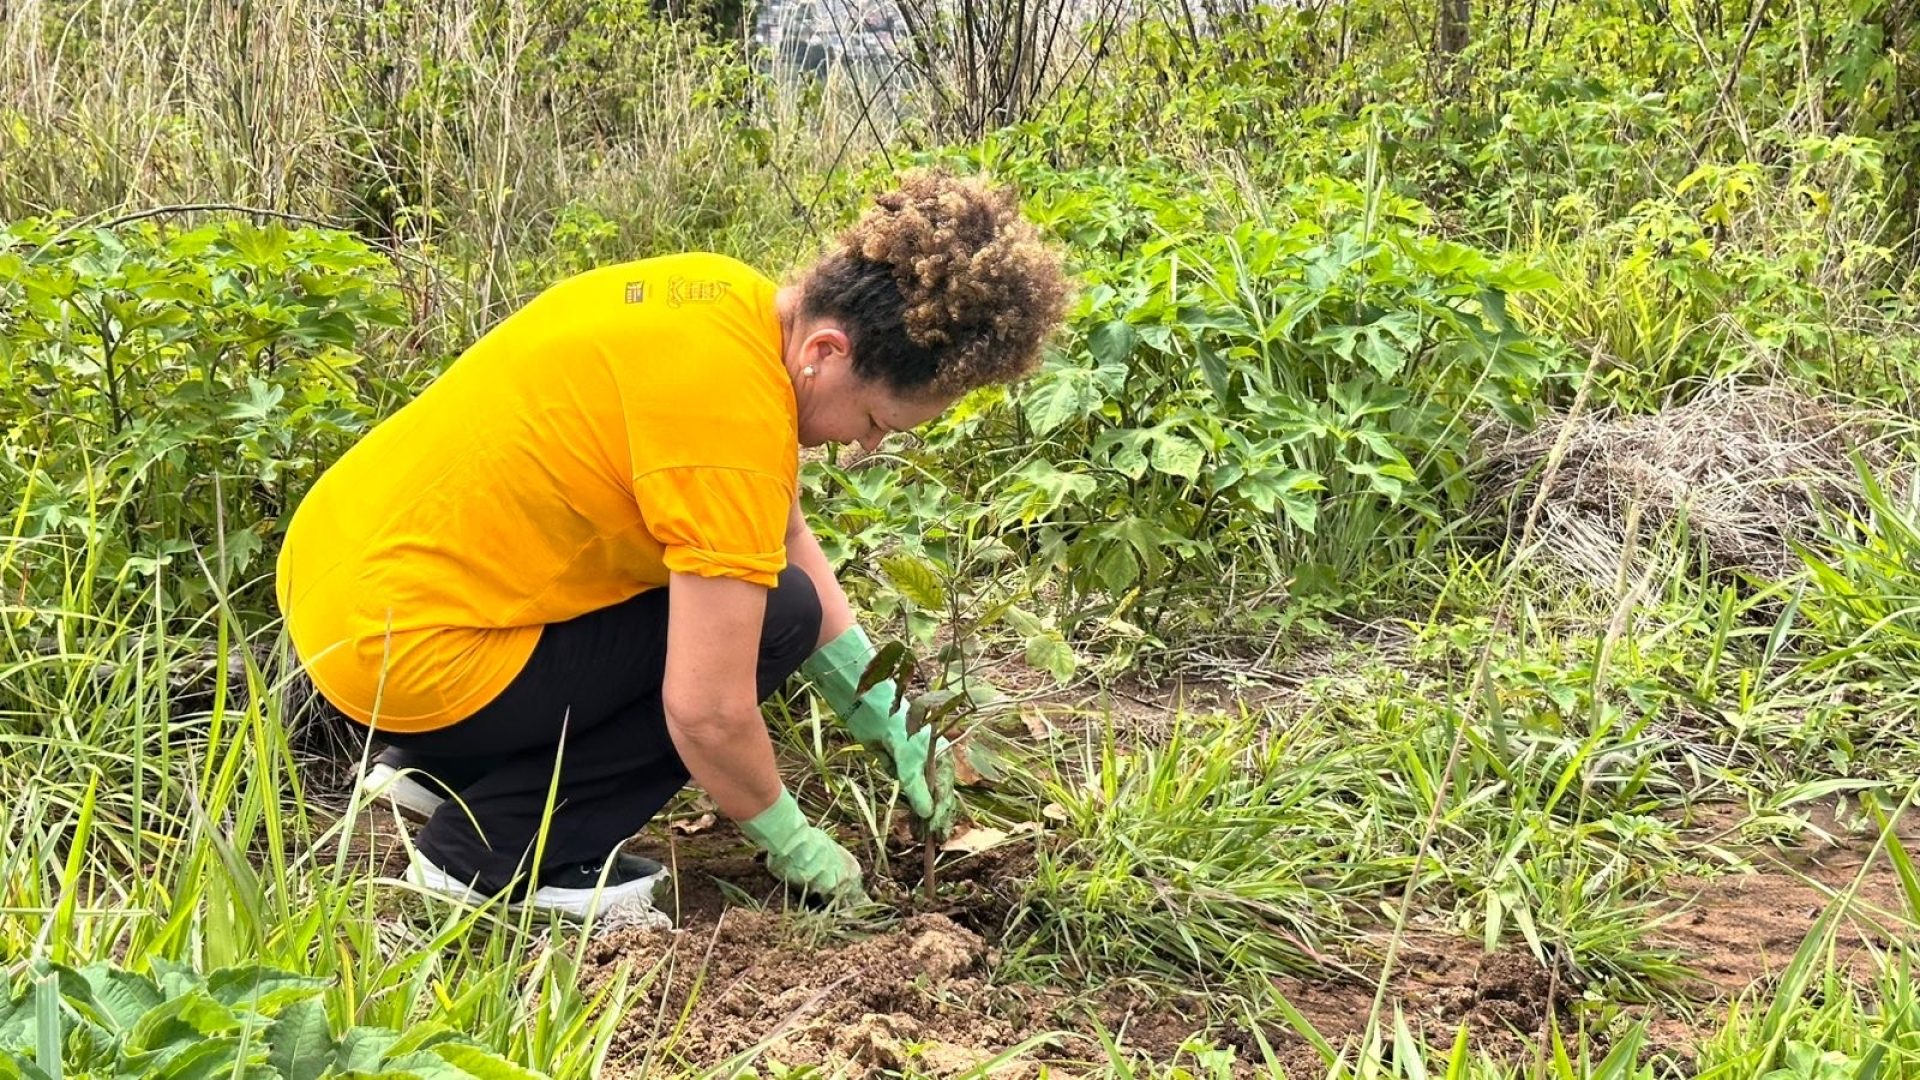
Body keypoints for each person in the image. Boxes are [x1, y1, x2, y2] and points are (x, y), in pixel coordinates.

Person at [275, 171, 1070, 920]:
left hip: (348, 592)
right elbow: (709, 713)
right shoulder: (730, 431)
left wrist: (883, 706)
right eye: (874, 425)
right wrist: (792, 844)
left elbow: (780, 533)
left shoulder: (725, 298)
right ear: (826, 353)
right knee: (771, 619)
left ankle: (437, 769)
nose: (864, 449)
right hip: (409, 656)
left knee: (756, 592)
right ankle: (490, 855)